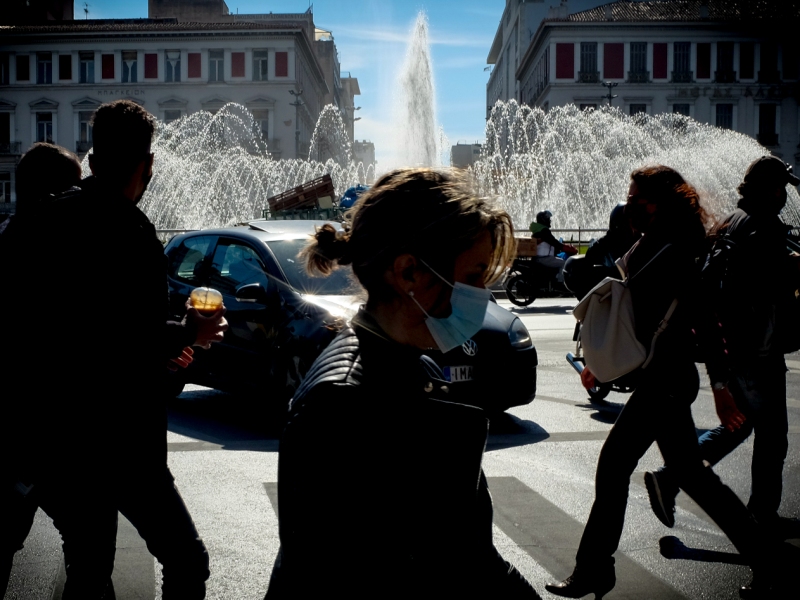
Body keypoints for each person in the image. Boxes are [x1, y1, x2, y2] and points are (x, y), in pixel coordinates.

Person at [265, 168, 542, 599]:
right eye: (474, 276)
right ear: (409, 272)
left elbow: (464, 552)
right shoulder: (344, 405)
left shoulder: (409, 367)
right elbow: (331, 575)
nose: (483, 296)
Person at [1, 100, 227, 598]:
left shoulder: (41, 222)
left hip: (56, 437)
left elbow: (83, 329)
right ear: (146, 166)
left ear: (94, 157)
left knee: (89, 566)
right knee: (187, 561)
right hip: (122, 443)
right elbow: (126, 344)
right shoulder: (133, 232)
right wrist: (187, 334)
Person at [545, 165, 790, 600]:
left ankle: (593, 571)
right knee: (692, 477)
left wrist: (720, 387)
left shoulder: (678, 248)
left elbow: (705, 320)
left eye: (639, 198)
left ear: (663, 200)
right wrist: (598, 365)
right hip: (662, 378)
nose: (631, 204)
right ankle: (768, 564)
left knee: (618, 465)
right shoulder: (653, 240)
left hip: (669, 381)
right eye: (630, 197)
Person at [644, 155, 800, 539]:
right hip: (758, 349)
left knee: (742, 424)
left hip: (735, 347)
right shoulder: (762, 227)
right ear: (769, 190)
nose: (784, 195)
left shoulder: (730, 221)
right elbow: (773, 282)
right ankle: (759, 516)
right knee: (772, 436)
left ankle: (674, 478)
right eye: (781, 187)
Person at [0, 142, 83, 598]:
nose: (79, 201)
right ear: (52, 197)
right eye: (72, 191)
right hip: (31, 438)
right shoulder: (36, 253)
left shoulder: (18, 240)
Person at [563, 203, 641, 300]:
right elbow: (589, 261)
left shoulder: (640, 242)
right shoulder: (605, 243)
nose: (633, 227)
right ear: (621, 223)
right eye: (630, 222)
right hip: (617, 291)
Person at [529, 210, 577, 282]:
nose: (550, 220)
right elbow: (554, 242)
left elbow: (551, 242)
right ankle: (561, 284)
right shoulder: (544, 231)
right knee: (564, 264)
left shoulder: (539, 230)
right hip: (544, 258)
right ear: (543, 220)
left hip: (540, 257)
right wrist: (567, 248)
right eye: (548, 219)